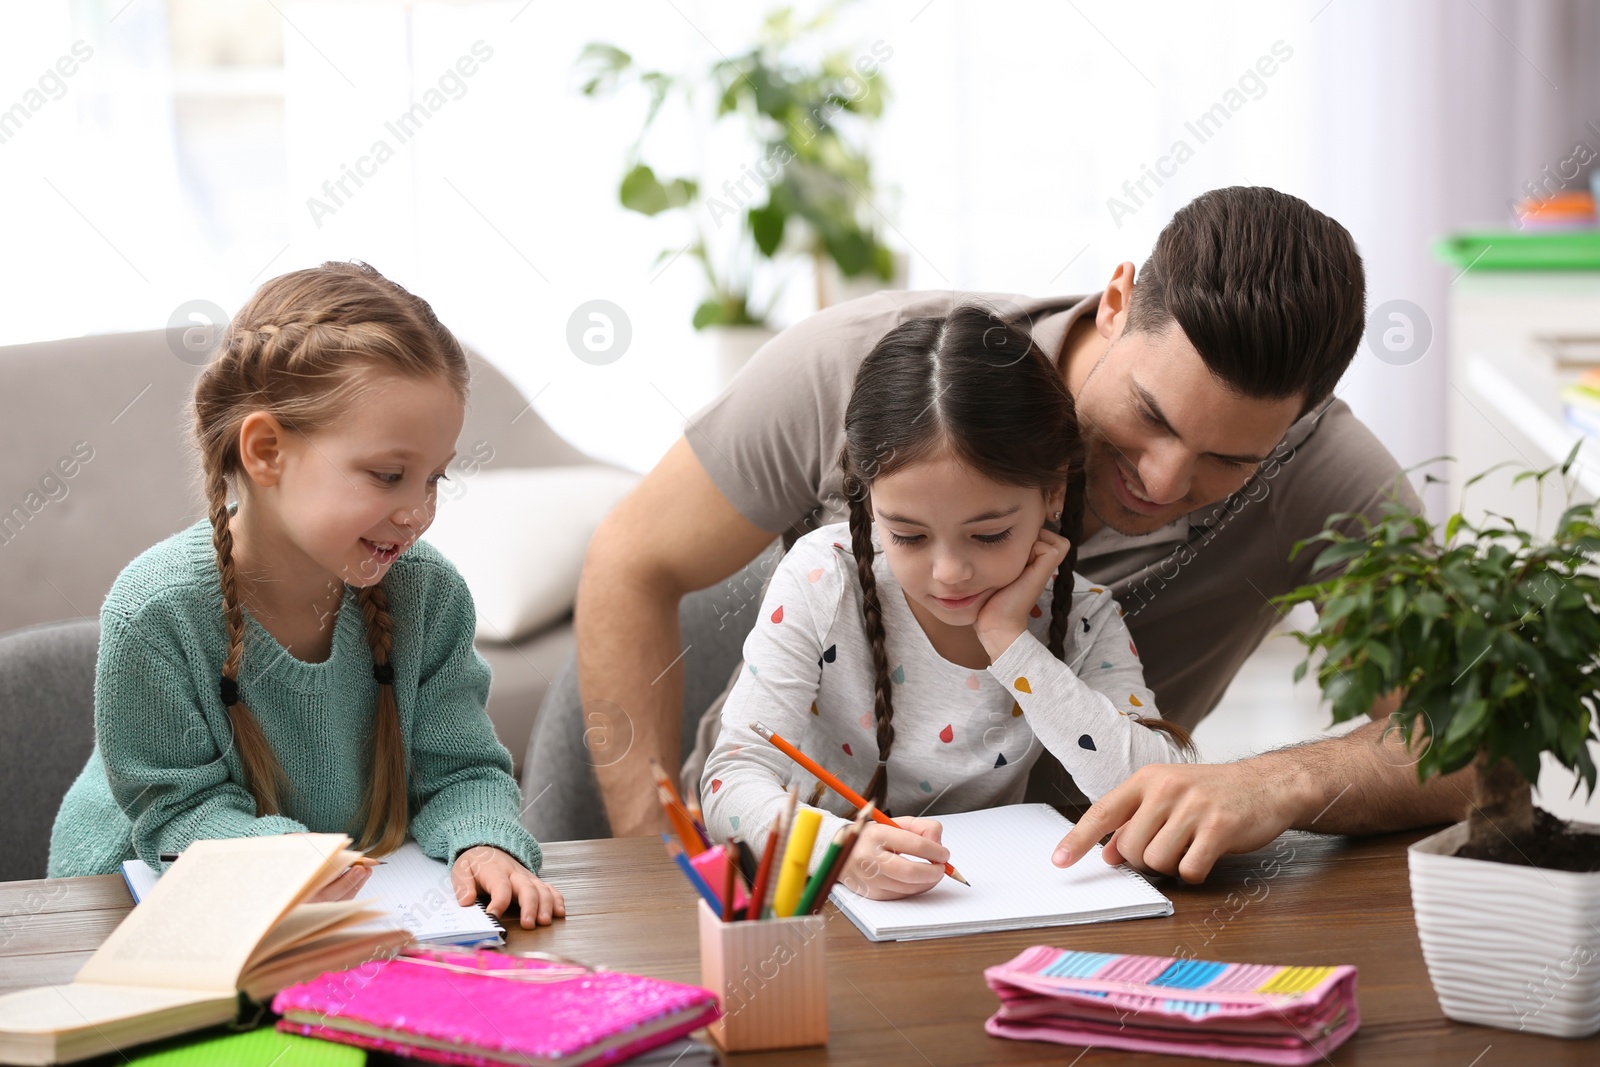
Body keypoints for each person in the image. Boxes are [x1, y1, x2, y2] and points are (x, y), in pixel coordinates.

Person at [529, 185, 1468, 883]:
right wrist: (652, 878)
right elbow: (632, 559)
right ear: (1116, 299)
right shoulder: (865, 372)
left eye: (1230, 462)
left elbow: (1473, 746)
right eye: (1151, 415)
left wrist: (1277, 782)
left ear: (1300, 424)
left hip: (1049, 891)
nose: (1162, 481)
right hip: (791, 873)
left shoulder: (1333, 480)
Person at [48, 262, 564, 928]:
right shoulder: (155, 611)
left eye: (433, 479)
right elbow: (177, 812)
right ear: (266, 452)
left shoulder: (428, 596)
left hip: (323, 916)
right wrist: (281, 858)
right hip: (127, 914)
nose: (417, 512)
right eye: (388, 475)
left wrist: (486, 839)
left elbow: (461, 768)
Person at [700, 306, 1192, 899]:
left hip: (977, 907)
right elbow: (731, 780)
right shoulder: (820, 578)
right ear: (868, 498)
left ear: (1054, 492)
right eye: (907, 535)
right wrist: (840, 850)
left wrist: (1011, 643)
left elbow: (1157, 794)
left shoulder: (1084, 616)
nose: (949, 572)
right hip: (814, 905)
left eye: (989, 535)